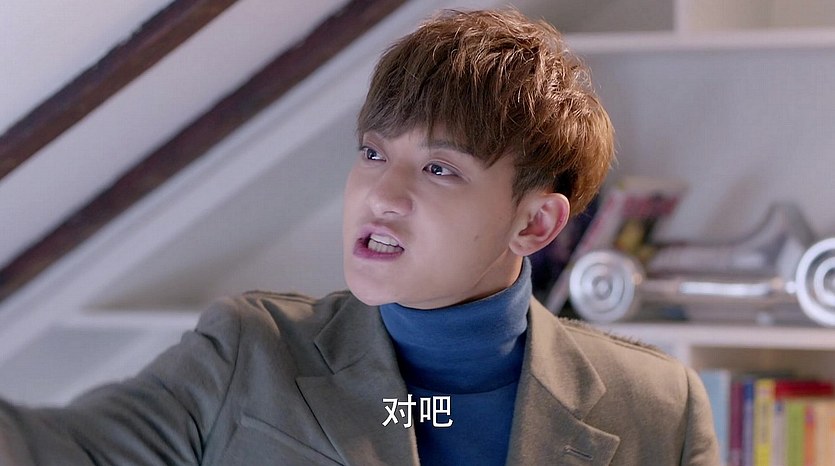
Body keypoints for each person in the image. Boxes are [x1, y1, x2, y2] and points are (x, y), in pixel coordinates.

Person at [0, 8, 719, 466]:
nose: (382, 195)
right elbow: (47, 450)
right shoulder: (249, 355)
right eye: (373, 153)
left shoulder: (658, 407)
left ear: (533, 224)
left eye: (438, 168)